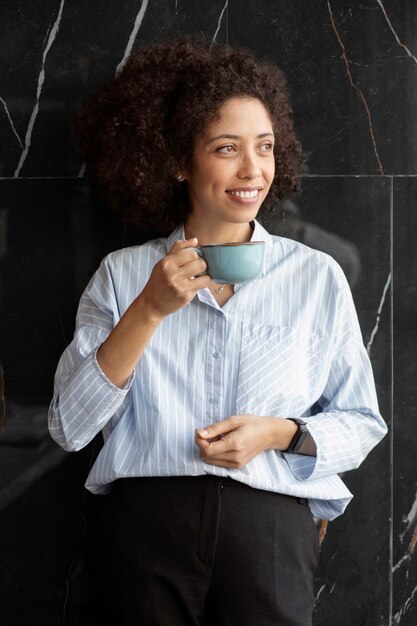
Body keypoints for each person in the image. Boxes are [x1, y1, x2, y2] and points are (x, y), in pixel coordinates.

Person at [48, 38, 387, 626]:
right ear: (180, 160)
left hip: (272, 533)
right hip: (142, 529)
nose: (252, 170)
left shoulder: (316, 276)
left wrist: (279, 433)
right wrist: (149, 309)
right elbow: (68, 427)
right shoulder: (124, 275)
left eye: (265, 147)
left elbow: (362, 422)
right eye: (226, 148)